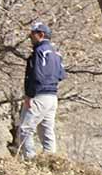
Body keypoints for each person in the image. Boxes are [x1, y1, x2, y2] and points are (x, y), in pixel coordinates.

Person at [18, 22, 66, 160]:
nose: (30, 37)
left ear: (41, 34)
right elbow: (62, 75)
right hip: (52, 97)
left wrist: (29, 95)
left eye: (32, 34)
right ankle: (50, 161)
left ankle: (29, 160)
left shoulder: (38, 52)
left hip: (39, 95)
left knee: (25, 129)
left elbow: (36, 75)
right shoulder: (57, 53)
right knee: (47, 131)